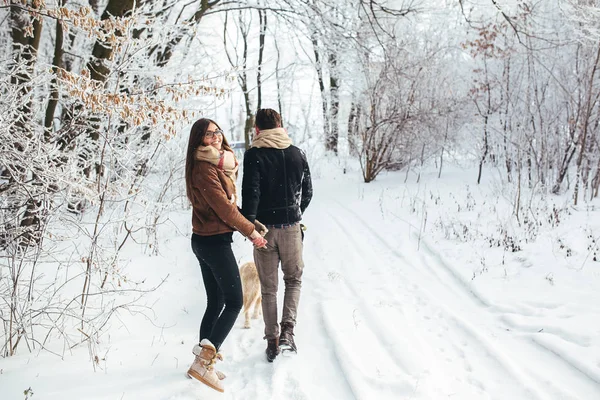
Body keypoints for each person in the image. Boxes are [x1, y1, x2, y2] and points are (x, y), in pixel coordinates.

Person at [184, 118, 267, 392]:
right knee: (234, 302)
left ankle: (202, 365)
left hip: (208, 240)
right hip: (213, 243)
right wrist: (251, 233)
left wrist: (251, 223)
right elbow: (225, 210)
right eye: (209, 135)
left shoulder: (214, 165)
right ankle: (203, 364)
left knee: (216, 301)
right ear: (199, 140)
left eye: (217, 131)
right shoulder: (203, 169)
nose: (216, 137)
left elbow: (230, 206)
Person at [241, 108, 313, 362]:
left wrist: (250, 227)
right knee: (293, 280)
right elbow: (308, 193)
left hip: (264, 230)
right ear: (280, 125)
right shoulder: (297, 154)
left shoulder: (254, 155)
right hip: (291, 228)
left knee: (269, 287)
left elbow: (251, 194)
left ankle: (271, 340)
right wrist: (294, 213)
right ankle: (288, 334)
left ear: (257, 130)